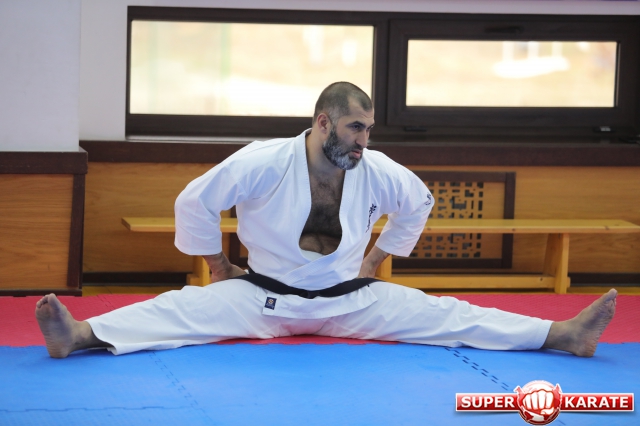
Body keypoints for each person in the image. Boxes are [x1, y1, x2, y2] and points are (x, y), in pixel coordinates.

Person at [35, 82, 617, 359]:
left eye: (369, 129)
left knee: (449, 314)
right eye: (355, 128)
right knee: (174, 309)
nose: (364, 140)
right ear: (322, 122)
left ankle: (562, 334)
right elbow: (194, 200)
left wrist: (375, 260)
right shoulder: (263, 160)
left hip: (350, 299)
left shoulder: (377, 167)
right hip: (262, 296)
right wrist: (218, 265)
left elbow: (419, 203)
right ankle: (80, 336)